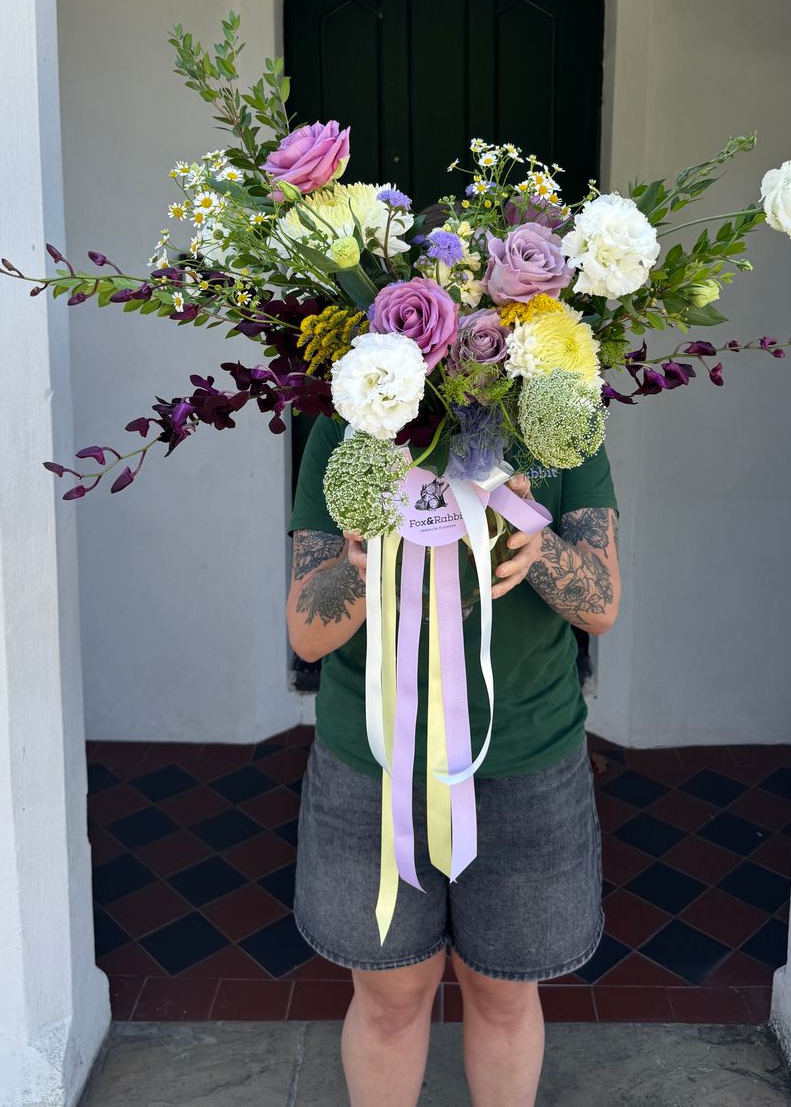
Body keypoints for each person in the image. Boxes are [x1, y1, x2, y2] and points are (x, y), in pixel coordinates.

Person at [286, 414, 620, 1107]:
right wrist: (359, 560)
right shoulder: (347, 424)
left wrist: (541, 550)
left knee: (502, 995)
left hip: (525, 762)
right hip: (374, 766)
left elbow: (600, 607)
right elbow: (307, 634)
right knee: (390, 997)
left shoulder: (559, 419)